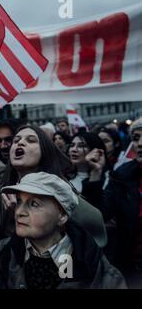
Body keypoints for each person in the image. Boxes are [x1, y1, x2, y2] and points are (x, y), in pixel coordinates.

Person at [0, 79, 107, 260]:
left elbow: (94, 224)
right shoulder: (2, 178)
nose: (19, 142)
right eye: (16, 141)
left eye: (30, 140)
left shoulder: (59, 189)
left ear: (45, 152)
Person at [0, 172, 126, 289]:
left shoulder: (95, 267)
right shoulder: (3, 254)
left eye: (34, 204)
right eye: (20, 201)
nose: (19, 211)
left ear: (62, 216)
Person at [81, 117, 142, 288]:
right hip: (133, 270)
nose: (140, 144)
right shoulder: (122, 176)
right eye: (136, 138)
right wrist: (95, 174)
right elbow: (98, 215)